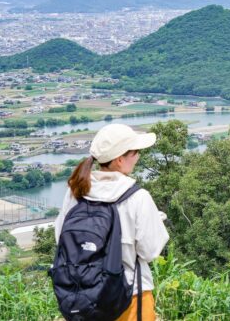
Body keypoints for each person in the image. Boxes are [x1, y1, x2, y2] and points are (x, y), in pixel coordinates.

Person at [55, 124, 169, 321]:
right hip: (129, 296)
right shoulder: (137, 197)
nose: (138, 156)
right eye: (136, 152)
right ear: (119, 159)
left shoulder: (77, 191)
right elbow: (149, 251)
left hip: (84, 298)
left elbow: (62, 239)